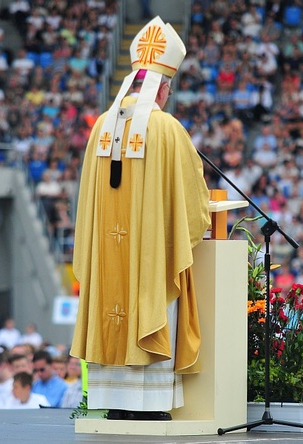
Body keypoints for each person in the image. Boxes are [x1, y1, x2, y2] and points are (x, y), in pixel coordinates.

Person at [70, 16, 210, 421]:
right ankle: (147, 406)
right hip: (147, 257)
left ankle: (116, 403)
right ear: (162, 88)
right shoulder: (167, 129)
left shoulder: (99, 127)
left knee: (111, 304)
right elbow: (192, 200)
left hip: (108, 257)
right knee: (150, 297)